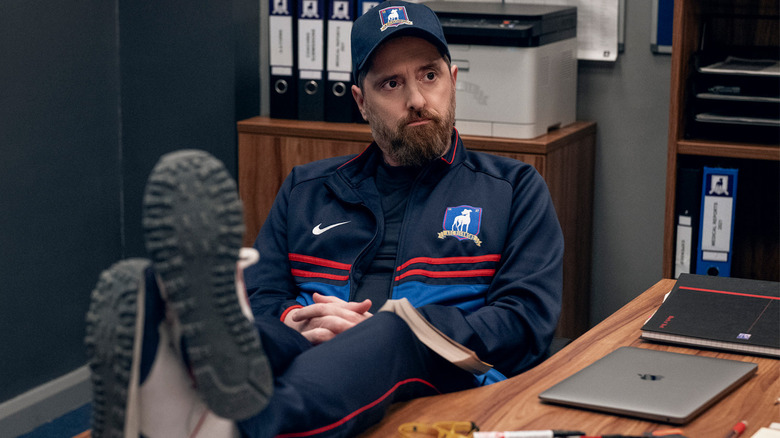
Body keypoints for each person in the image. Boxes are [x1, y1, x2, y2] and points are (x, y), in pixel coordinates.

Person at [85, 1, 564, 437]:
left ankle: (246, 427)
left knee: (391, 333)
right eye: (391, 84)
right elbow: (263, 293)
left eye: (429, 76)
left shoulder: (513, 188)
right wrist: (298, 321)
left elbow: (526, 320)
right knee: (259, 330)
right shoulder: (306, 189)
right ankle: (168, 374)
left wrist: (392, 324)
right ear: (360, 102)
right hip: (312, 352)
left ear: (453, 80)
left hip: (446, 371)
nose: (416, 99)